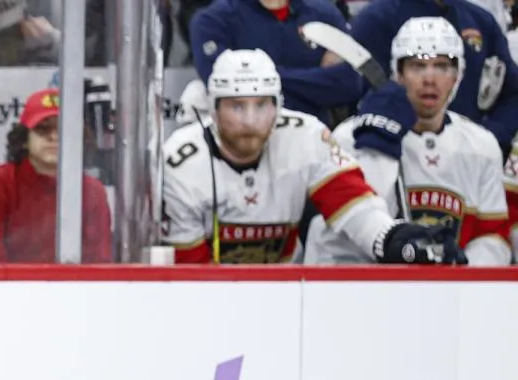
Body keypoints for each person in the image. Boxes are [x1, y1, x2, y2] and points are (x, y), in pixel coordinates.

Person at [160, 48, 467, 264]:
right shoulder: (181, 162)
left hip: (288, 295)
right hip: (211, 300)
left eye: (261, 105)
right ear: (213, 110)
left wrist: (391, 238)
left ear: (278, 106)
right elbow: (191, 271)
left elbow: (352, 204)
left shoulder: (304, 136)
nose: (250, 121)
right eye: (237, 106)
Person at [305, 17, 511, 264]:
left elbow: (492, 237)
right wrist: (377, 146)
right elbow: (356, 222)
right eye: (417, 66)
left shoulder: (481, 145)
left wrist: (459, 272)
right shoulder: (352, 136)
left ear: (458, 75)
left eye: (442, 66)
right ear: (399, 74)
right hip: (365, 279)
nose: (429, 78)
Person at [0, 87, 112, 263]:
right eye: (43, 129)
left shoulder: (92, 192)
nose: (54, 137)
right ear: (24, 139)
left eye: (63, 130)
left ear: (79, 140)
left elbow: (98, 264)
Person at [350, 0, 518, 151]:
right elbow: (358, 93)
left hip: (467, 160)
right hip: (394, 154)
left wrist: (487, 138)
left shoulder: (480, 20)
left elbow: (512, 91)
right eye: (417, 66)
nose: (429, 78)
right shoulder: (375, 20)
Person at [189, 0, 363, 128]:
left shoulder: (325, 14)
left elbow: (350, 84)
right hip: (242, 136)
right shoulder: (213, 20)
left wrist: (255, 77)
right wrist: (317, 78)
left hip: (312, 141)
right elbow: (219, 82)